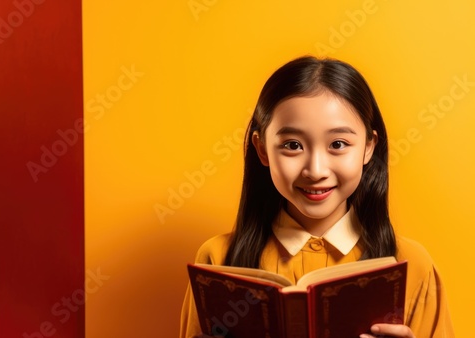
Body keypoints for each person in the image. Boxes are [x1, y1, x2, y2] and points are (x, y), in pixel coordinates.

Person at [180, 56, 454, 338]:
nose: (315, 170)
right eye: (292, 145)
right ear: (262, 149)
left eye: (338, 144)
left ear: (369, 148)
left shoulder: (410, 264)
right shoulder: (218, 261)